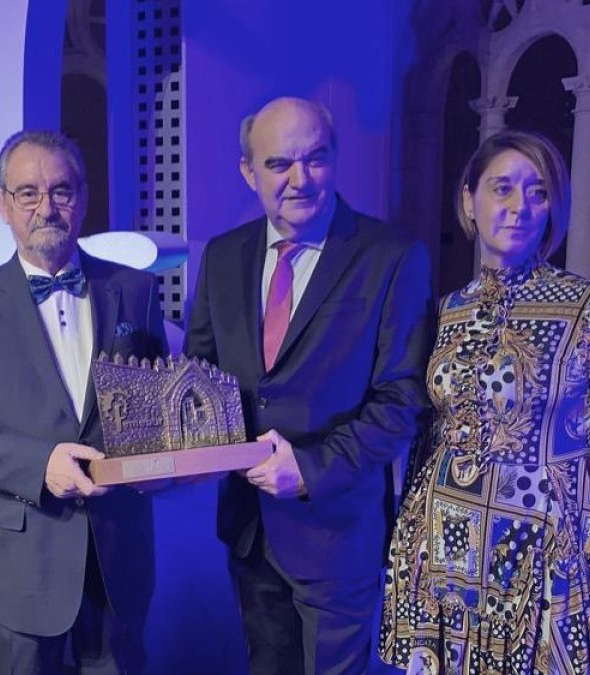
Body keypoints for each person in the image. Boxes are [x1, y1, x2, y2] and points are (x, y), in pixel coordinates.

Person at [379, 129, 590, 675]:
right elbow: (431, 434)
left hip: (539, 565)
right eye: (502, 188)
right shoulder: (448, 309)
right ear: (468, 200)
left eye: (538, 192)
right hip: (441, 559)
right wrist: (404, 554)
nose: (519, 207)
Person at [184, 96, 435, 674]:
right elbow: (202, 378)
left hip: (337, 533)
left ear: (334, 160)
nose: (300, 179)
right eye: (279, 164)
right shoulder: (223, 256)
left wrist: (311, 468)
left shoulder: (392, 256)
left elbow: (402, 402)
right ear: (249, 172)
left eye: (315, 159)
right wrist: (170, 458)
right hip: (248, 529)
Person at [0, 130, 167, 674]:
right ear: (3, 204)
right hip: (22, 563)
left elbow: (157, 404)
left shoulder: (136, 291)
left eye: (61, 190)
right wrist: (39, 464)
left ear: (82, 197)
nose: (46, 207)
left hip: (118, 554)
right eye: (27, 193)